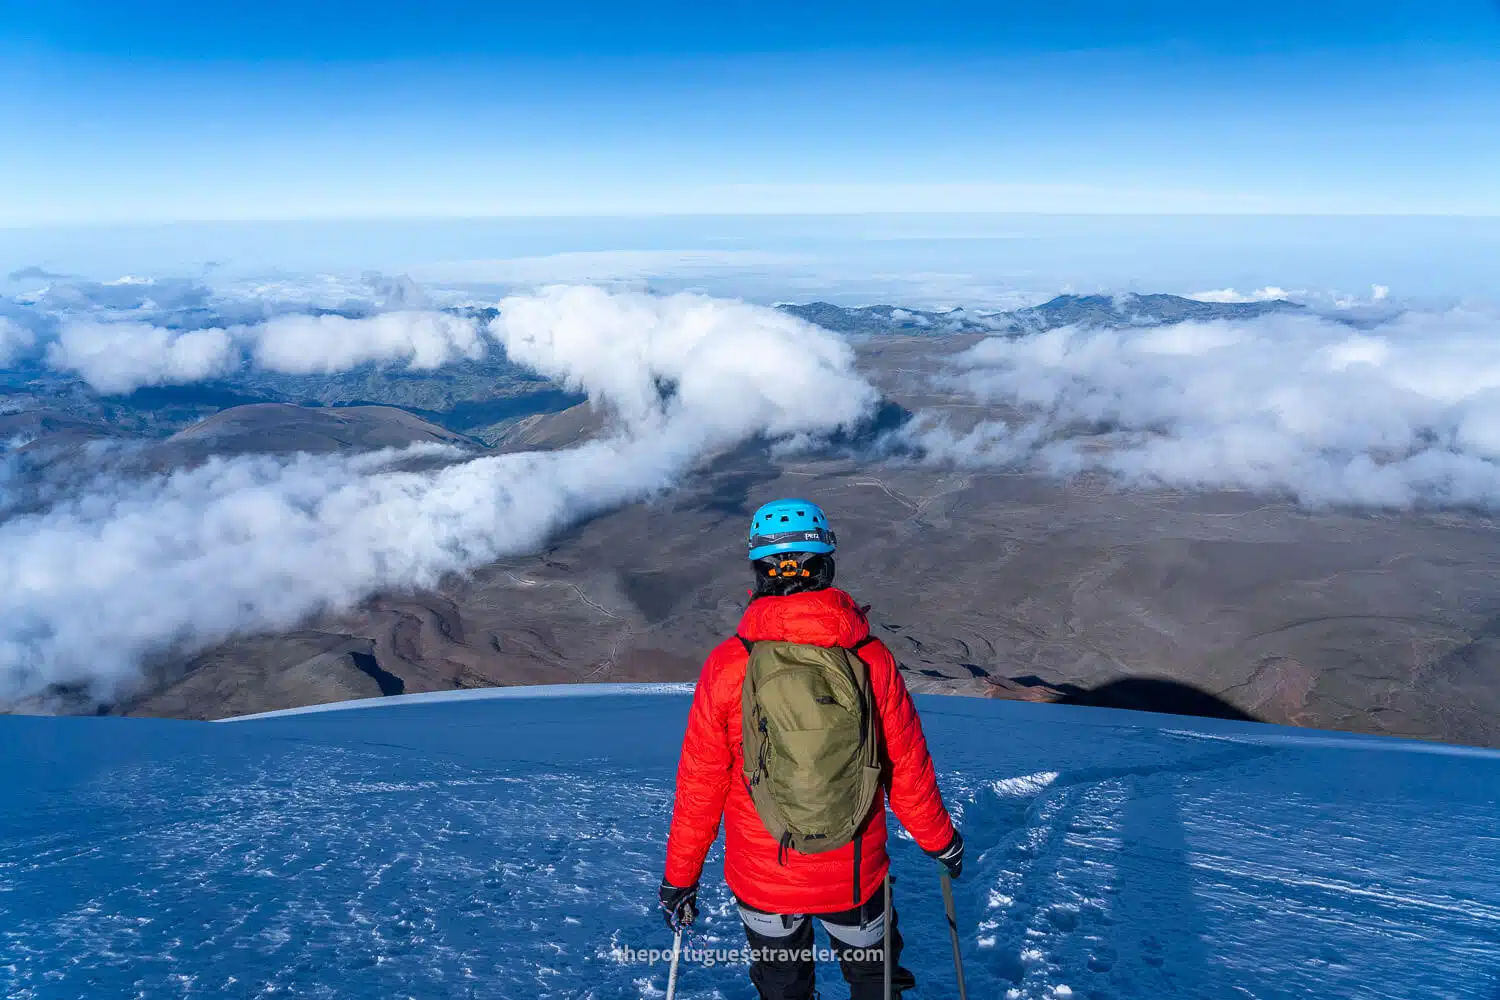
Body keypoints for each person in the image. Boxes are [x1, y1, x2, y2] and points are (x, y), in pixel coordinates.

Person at [658, 498, 964, 1000]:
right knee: (874, 981)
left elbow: (701, 784)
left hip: (763, 878)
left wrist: (680, 878)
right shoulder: (869, 659)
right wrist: (939, 840)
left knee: (782, 987)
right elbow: (905, 766)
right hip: (853, 872)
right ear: (826, 565)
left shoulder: (729, 664)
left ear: (759, 571)